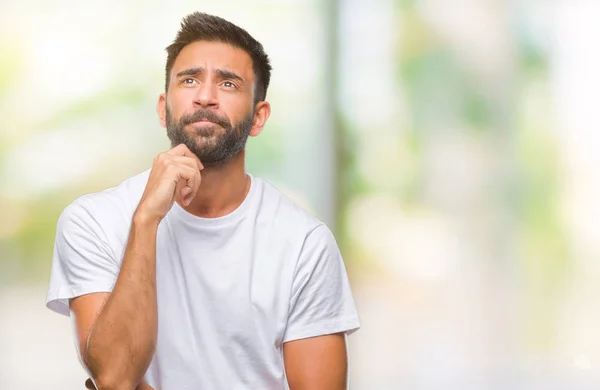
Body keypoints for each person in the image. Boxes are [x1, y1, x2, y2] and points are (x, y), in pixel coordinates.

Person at [46, 11, 360, 390]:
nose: (206, 96)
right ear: (164, 109)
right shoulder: (92, 221)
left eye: (228, 84)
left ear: (259, 117)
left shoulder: (305, 244)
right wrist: (146, 219)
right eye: (190, 79)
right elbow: (115, 376)